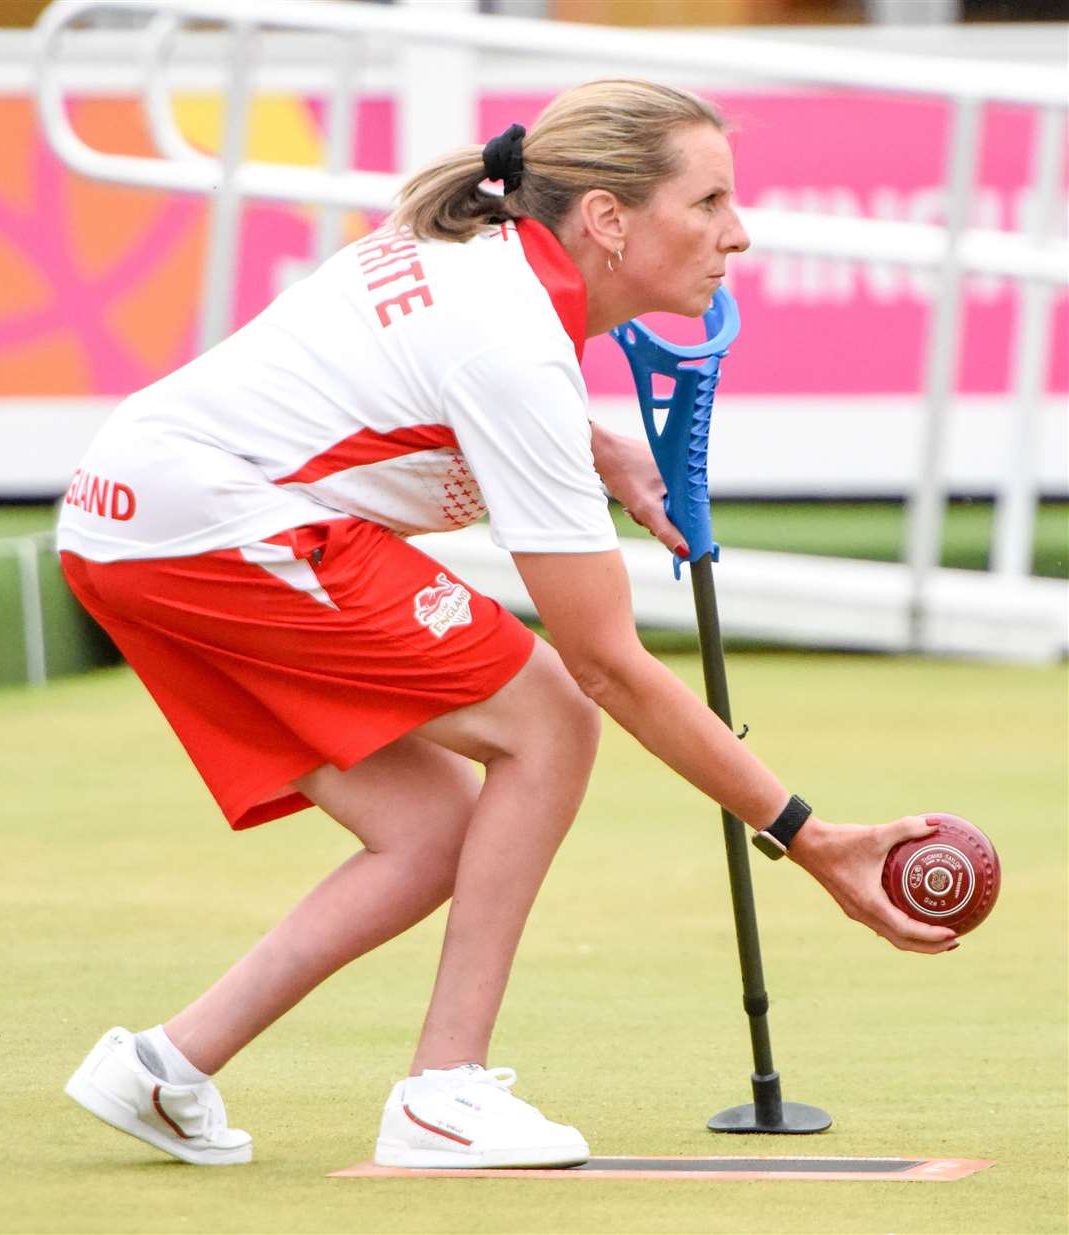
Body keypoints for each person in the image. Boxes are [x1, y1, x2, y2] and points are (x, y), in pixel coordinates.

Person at [57, 78, 957, 1171]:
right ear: (610, 222)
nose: (740, 232)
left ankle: (166, 1063)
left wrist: (599, 445)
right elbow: (609, 666)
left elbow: (445, 368)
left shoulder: (484, 264)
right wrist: (811, 836)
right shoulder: (514, 347)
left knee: (433, 824)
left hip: (131, 518)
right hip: (206, 526)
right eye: (710, 201)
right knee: (555, 717)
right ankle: (443, 1092)